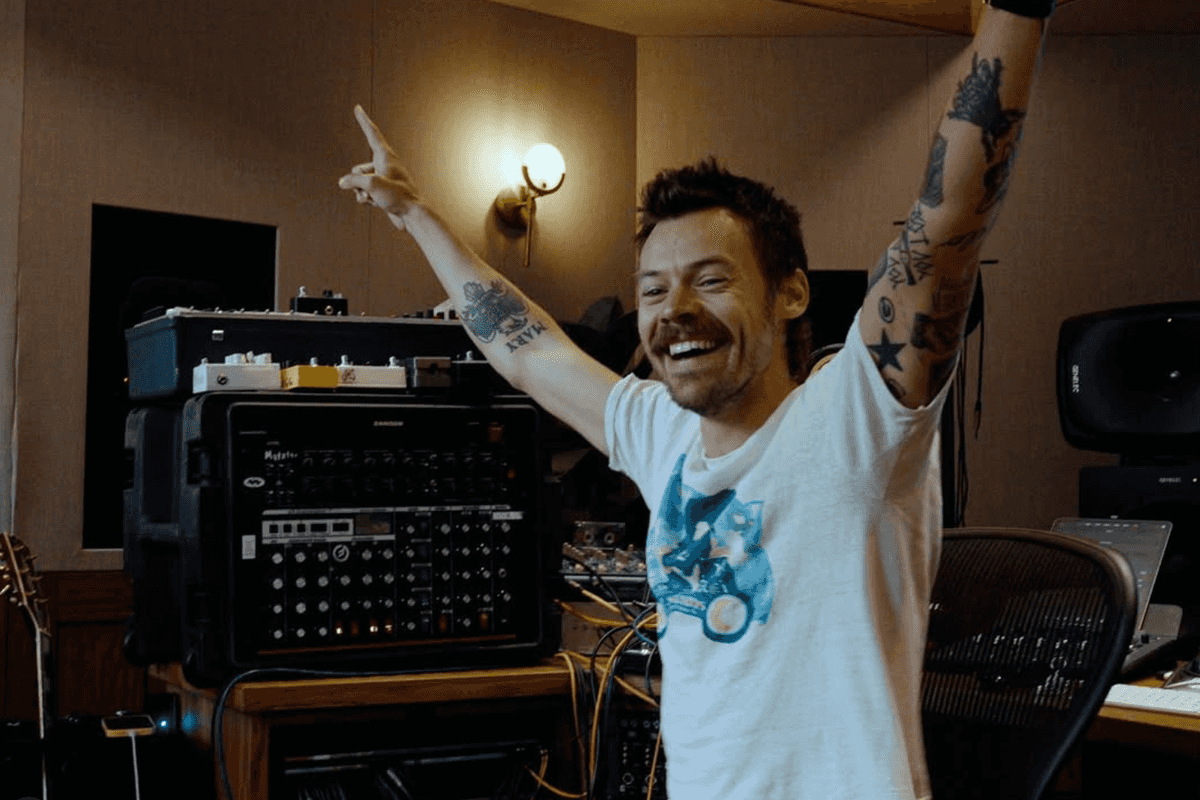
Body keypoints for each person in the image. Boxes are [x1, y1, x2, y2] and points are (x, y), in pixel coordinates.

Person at [338, 1, 1055, 796]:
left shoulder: (855, 420)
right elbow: (527, 348)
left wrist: (1018, 11)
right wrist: (416, 213)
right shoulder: (664, 434)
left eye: (710, 280)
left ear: (790, 294)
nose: (673, 311)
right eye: (653, 290)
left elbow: (948, 220)